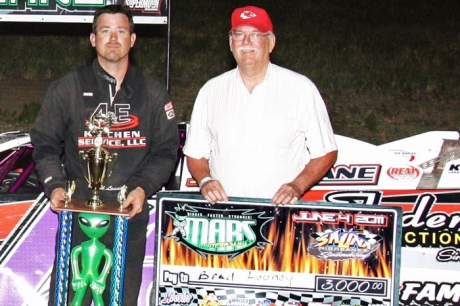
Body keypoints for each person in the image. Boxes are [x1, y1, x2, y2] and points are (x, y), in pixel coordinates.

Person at [30, 4, 179, 305]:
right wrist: (55, 185)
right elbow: (44, 142)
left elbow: (166, 150)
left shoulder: (152, 91)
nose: (113, 38)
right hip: (79, 215)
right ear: (93, 39)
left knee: (121, 299)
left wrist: (142, 189)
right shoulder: (67, 88)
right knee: (72, 299)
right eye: (105, 31)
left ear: (132, 40)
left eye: (121, 31)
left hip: (130, 214)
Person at [183, 6, 338, 205]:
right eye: (239, 34)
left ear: (271, 43)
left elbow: (326, 152)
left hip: (281, 214)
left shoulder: (301, 88)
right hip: (226, 214)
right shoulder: (210, 91)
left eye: (256, 34)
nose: (246, 42)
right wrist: (205, 181)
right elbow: (195, 153)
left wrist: (297, 186)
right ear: (231, 45)